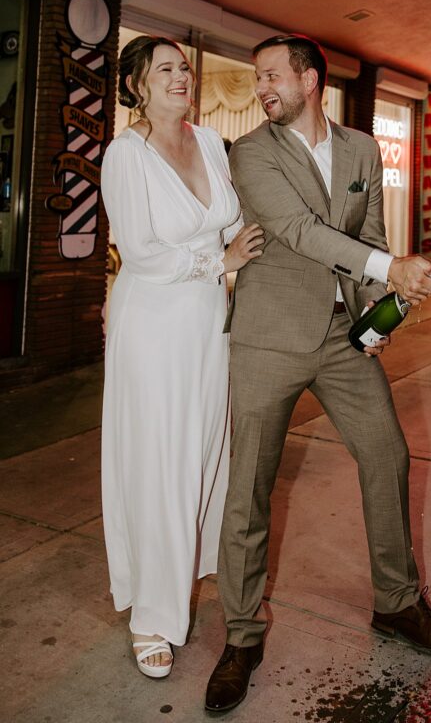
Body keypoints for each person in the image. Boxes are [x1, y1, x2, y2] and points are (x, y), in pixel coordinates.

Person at [205, 35, 431, 714]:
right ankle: (241, 637)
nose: (262, 87)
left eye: (271, 75)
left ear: (310, 79)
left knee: (387, 453)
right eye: (256, 77)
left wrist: (379, 316)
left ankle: (397, 603)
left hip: (339, 337)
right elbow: (298, 229)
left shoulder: (360, 150)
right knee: (250, 487)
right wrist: (389, 269)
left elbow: (371, 235)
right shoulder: (252, 153)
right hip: (268, 338)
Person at [100, 36, 263, 679]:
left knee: (199, 456)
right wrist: (217, 263)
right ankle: (152, 617)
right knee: (159, 463)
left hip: (206, 326)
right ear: (137, 82)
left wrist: (253, 243)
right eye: (164, 68)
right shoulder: (124, 153)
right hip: (152, 324)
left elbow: (225, 223)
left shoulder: (213, 143)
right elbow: (139, 250)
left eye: (184, 68)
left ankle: (177, 576)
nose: (181, 77)